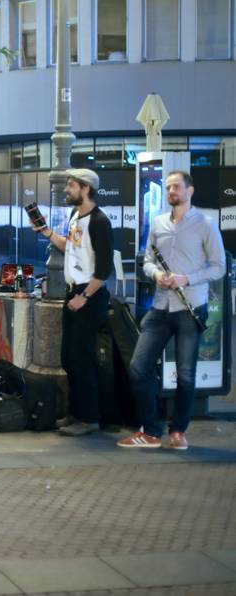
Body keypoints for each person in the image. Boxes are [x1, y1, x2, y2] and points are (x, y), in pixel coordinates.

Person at [118, 171, 225, 450]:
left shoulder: (206, 224)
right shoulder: (157, 223)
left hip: (190, 307)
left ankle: (178, 431)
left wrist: (186, 279)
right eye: (167, 187)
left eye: (176, 186)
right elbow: (148, 261)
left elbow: (219, 266)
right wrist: (156, 276)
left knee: (186, 374)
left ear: (190, 190)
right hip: (160, 306)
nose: (171, 191)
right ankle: (151, 432)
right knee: (139, 366)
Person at [32, 168, 114, 437]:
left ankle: (89, 417)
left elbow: (104, 269)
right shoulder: (76, 216)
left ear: (86, 188)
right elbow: (70, 246)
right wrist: (45, 232)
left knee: (82, 358)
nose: (66, 189)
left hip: (88, 294)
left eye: (71, 185)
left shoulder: (100, 221)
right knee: (69, 357)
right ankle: (76, 412)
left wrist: (84, 296)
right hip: (74, 292)